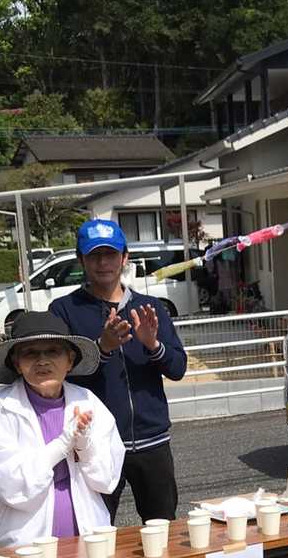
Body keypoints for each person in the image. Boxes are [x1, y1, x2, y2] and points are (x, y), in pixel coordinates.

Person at [51, 218, 187, 523]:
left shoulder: (150, 307)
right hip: (95, 443)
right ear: (81, 260)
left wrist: (153, 345)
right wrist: (102, 347)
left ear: (125, 257)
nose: (103, 263)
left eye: (111, 254)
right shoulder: (64, 311)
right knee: (94, 530)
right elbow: (61, 376)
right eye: (94, 255)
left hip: (152, 440)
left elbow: (178, 368)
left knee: (162, 528)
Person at [0, 312, 124, 550]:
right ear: (17, 363)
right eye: (30, 353)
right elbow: (11, 485)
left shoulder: (87, 402)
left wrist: (85, 447)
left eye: (53, 351)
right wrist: (62, 444)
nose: (42, 361)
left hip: (87, 537)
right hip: (23, 545)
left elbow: (106, 480)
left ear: (70, 360)